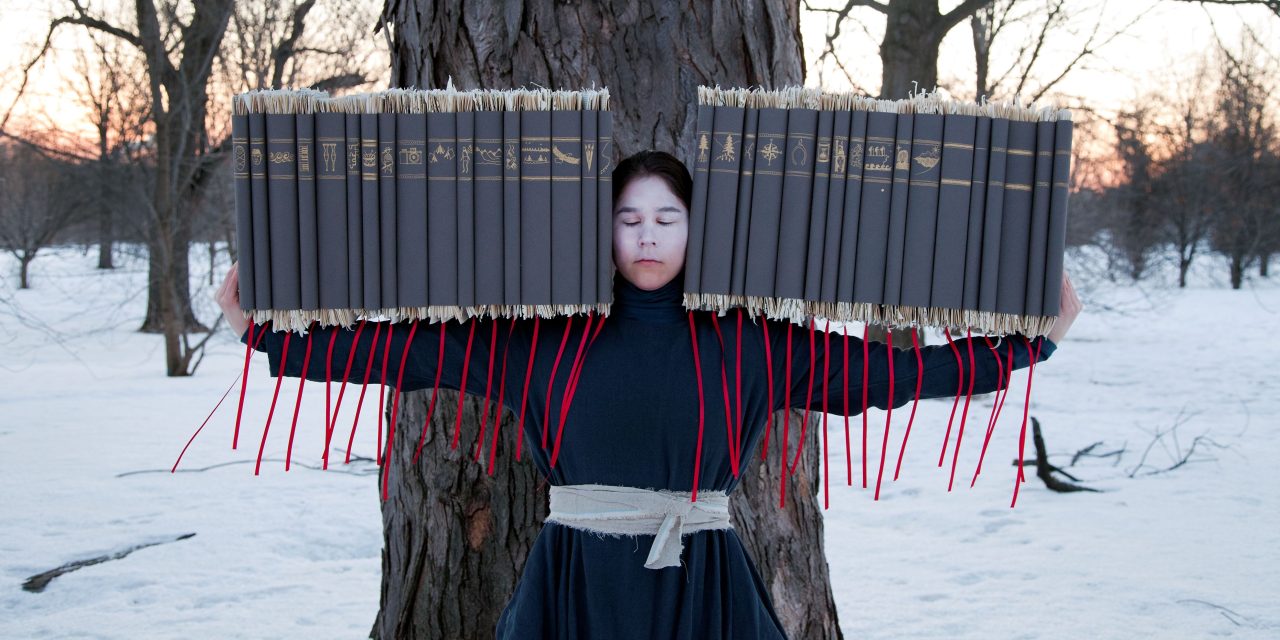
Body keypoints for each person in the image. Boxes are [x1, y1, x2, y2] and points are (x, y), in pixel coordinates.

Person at [216, 150, 1081, 639]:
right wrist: (266, 335)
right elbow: (404, 354)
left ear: (698, 229)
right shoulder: (542, 340)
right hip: (572, 584)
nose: (648, 236)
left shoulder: (750, 343)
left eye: (667, 218)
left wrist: (1027, 347)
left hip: (703, 582)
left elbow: (888, 378)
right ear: (602, 231)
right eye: (628, 219)